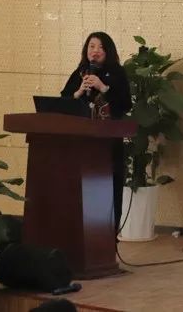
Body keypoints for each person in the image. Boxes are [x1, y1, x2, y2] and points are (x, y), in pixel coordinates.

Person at [60, 32, 132, 228]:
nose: (95, 51)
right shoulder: (80, 73)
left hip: (107, 144)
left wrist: (103, 87)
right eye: (91, 46)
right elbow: (63, 103)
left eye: (100, 47)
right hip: (80, 142)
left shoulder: (117, 73)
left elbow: (125, 104)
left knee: (109, 189)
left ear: (108, 51)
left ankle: (108, 235)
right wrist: (78, 92)